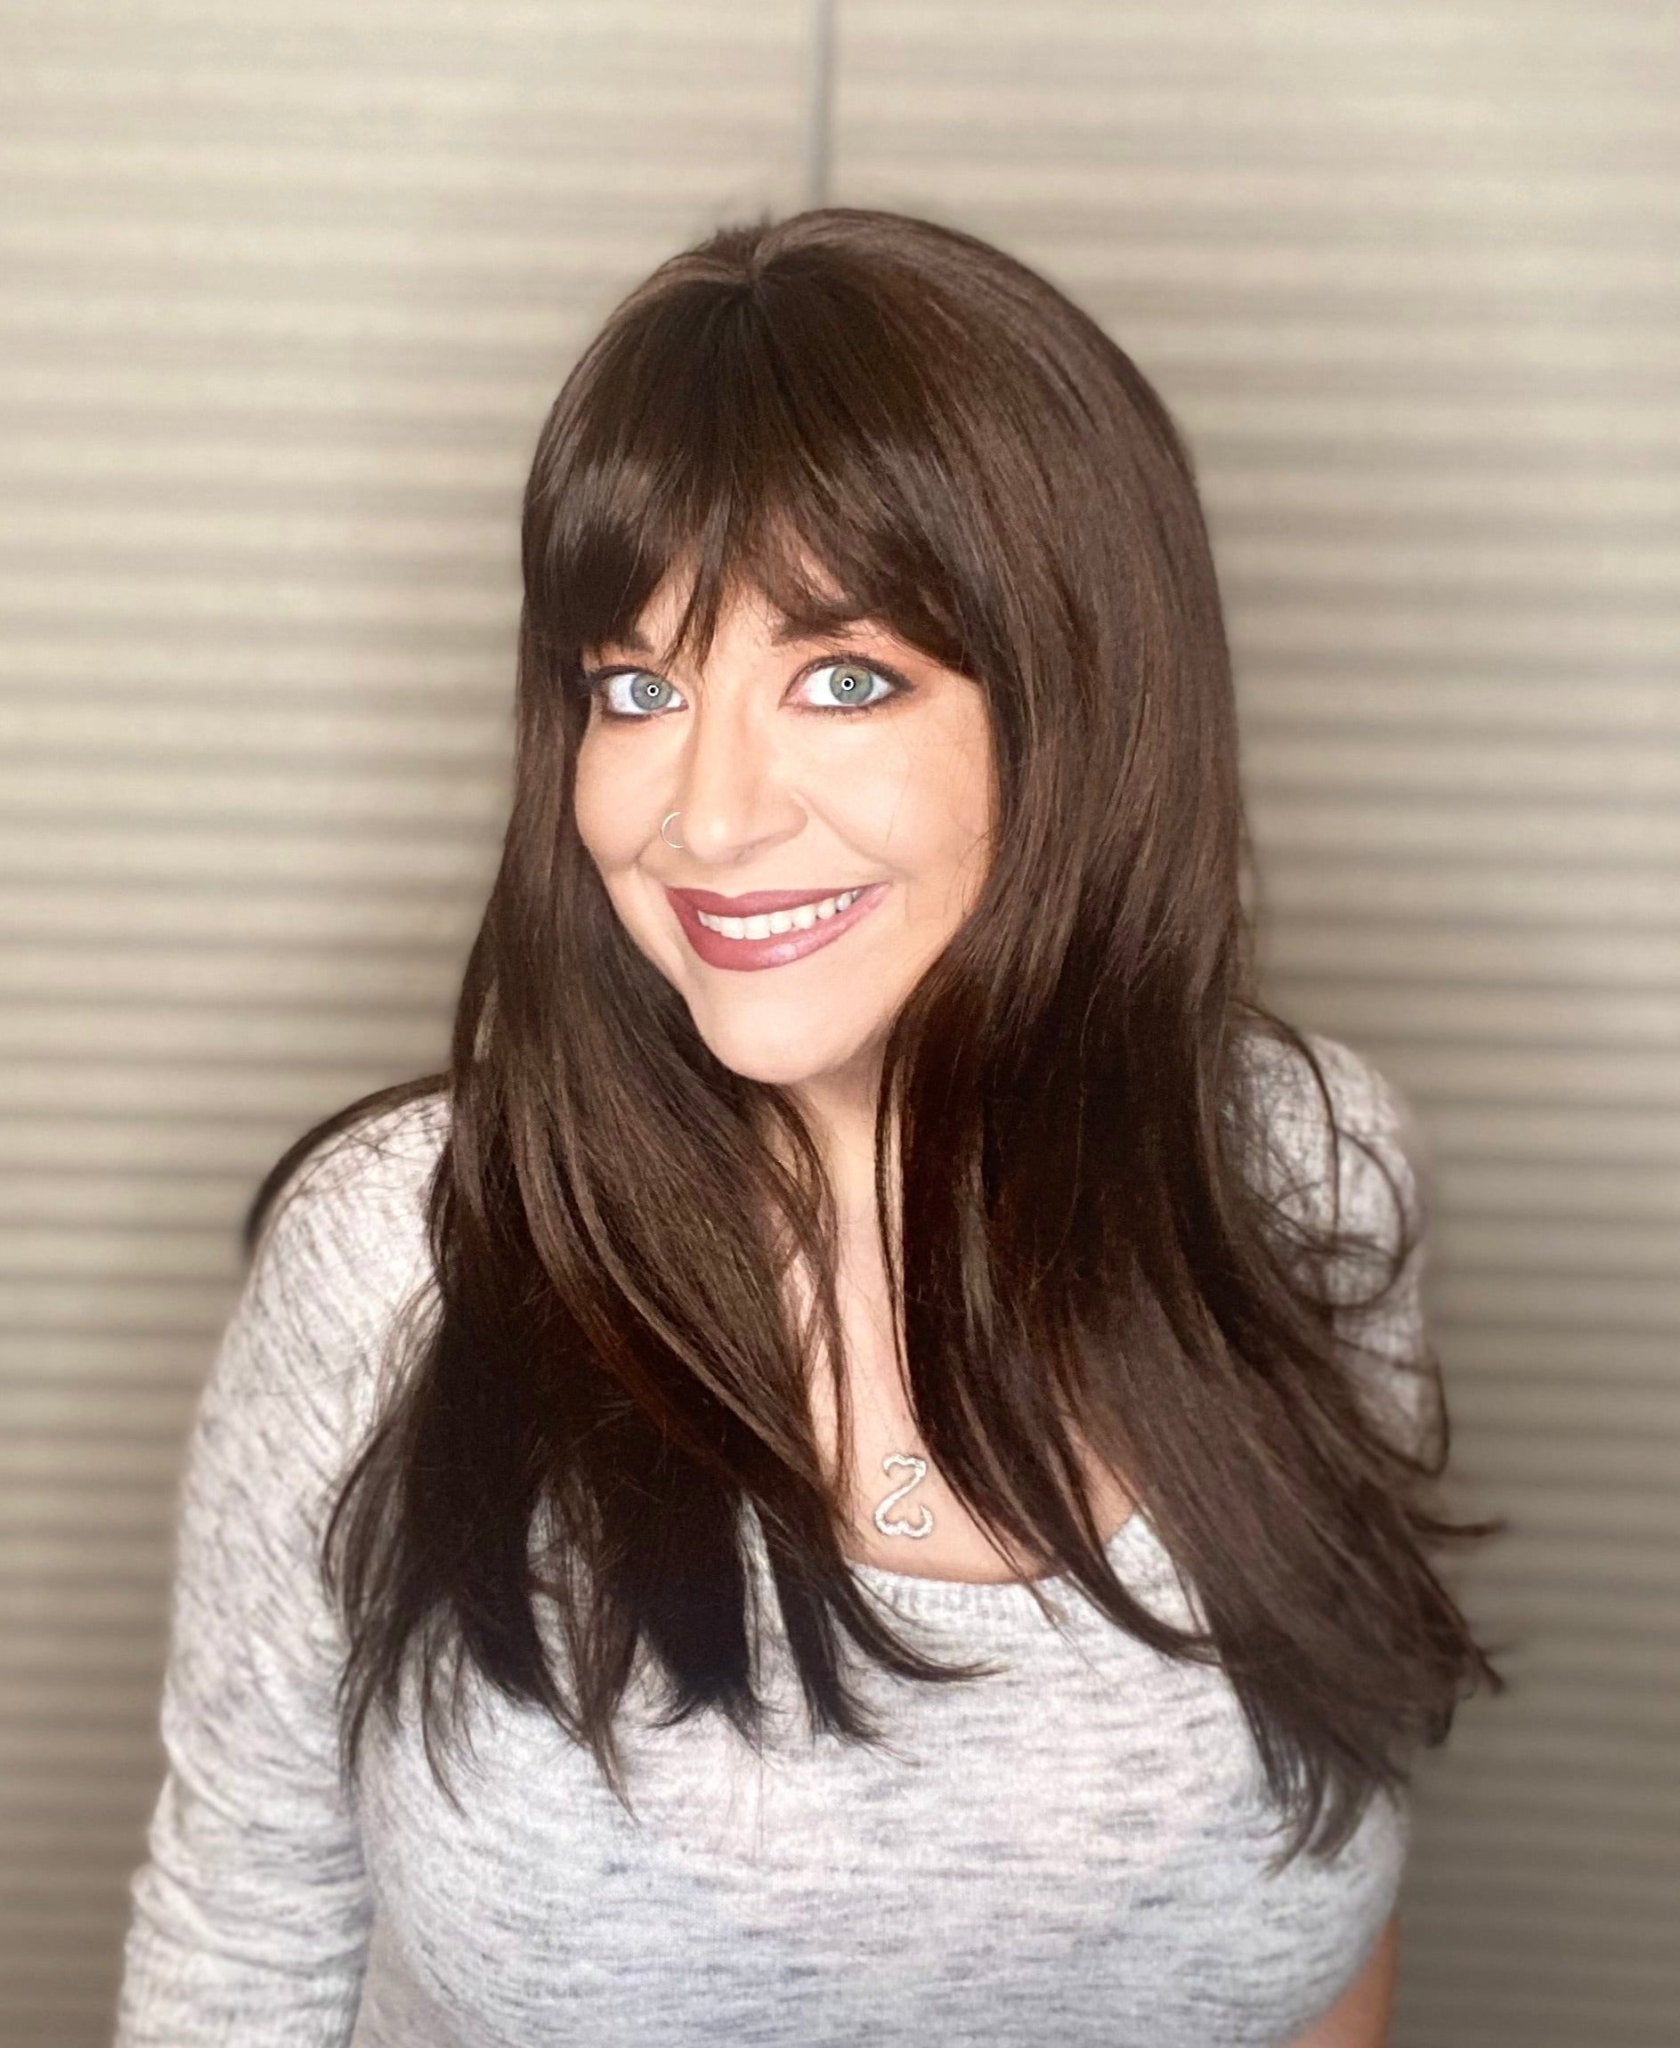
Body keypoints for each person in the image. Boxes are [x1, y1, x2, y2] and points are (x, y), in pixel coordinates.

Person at [112, 205, 1504, 2047]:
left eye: (843, 678)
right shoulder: (397, 1255)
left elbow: (1336, 1903)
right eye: (638, 688)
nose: (702, 817)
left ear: (1083, 707)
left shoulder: (1310, 1177)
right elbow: (239, 1945)